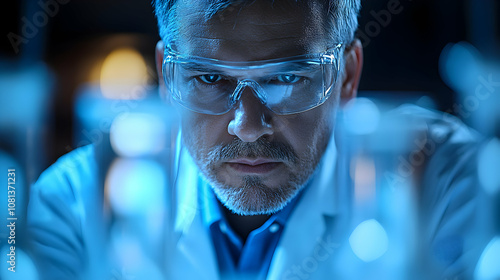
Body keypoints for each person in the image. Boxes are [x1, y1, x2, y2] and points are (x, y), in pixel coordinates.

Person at [27, 0, 483, 279]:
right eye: (209, 77)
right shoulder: (74, 204)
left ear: (347, 75)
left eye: (287, 77)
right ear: (168, 79)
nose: (247, 125)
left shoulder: (440, 181)